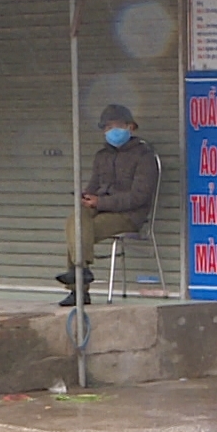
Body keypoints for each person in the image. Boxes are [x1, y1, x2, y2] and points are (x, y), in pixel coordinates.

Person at [58, 104, 159, 306]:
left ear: (130, 127)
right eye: (107, 127)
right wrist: (86, 198)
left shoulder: (144, 156)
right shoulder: (101, 156)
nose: (112, 131)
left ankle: (79, 286)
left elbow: (139, 196)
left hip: (128, 216)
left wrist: (101, 202)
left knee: (78, 229)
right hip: (100, 208)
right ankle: (83, 272)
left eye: (117, 126)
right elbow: (93, 186)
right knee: (76, 220)